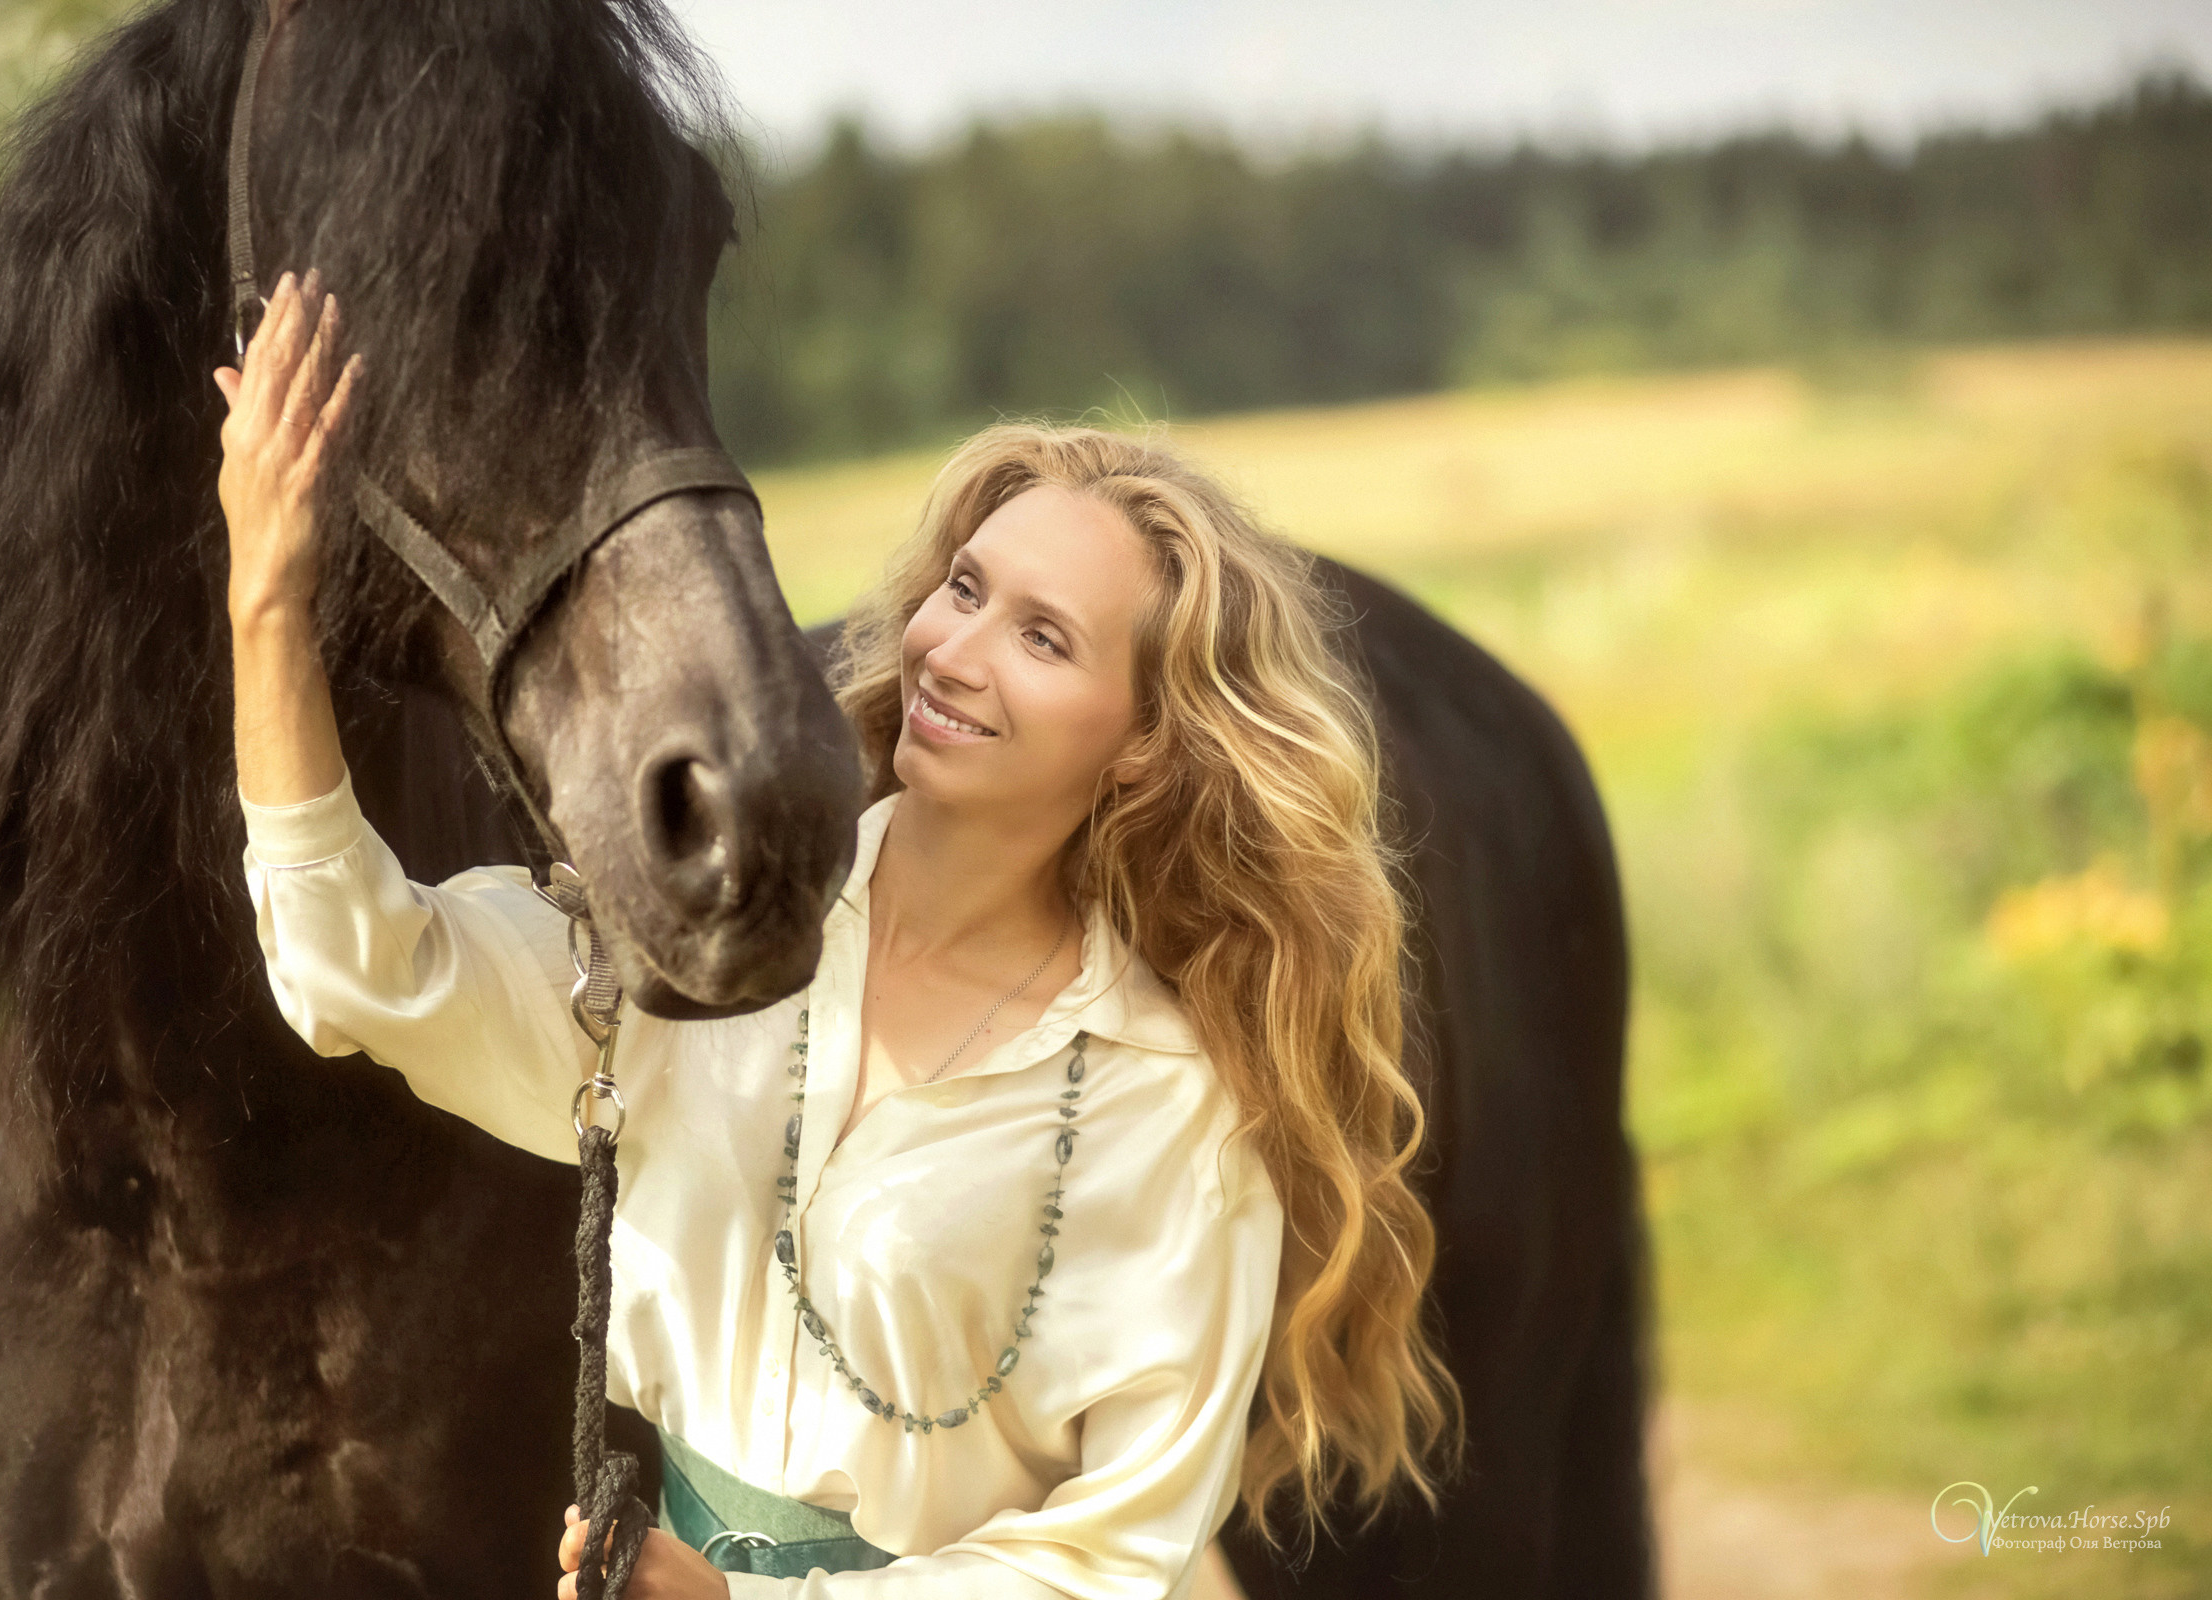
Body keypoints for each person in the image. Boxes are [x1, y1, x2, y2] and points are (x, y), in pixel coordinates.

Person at [214, 272, 1464, 1600]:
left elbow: (1113, 1563)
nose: (954, 651)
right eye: (965, 589)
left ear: (1145, 744)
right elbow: (359, 969)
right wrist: (268, 609)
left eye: (1041, 637)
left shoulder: (1167, 1105)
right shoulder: (710, 939)